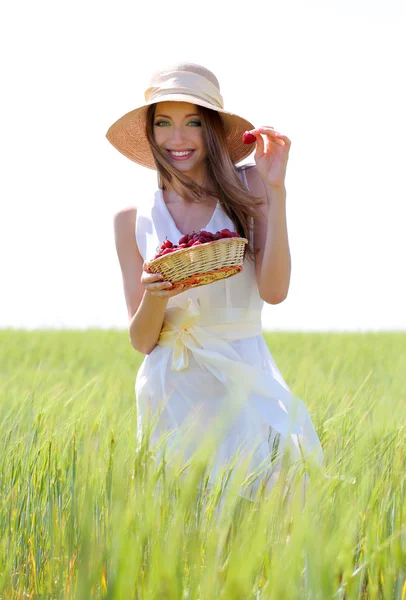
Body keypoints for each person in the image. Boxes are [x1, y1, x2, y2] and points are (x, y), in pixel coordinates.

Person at [107, 62, 324, 504]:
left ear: (211, 129)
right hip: (172, 390)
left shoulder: (249, 188)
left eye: (192, 122)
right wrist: (155, 294)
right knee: (184, 532)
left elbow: (274, 291)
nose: (178, 138)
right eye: (164, 123)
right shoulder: (132, 219)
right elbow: (141, 339)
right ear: (150, 133)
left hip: (242, 380)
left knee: (263, 518)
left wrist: (277, 191)